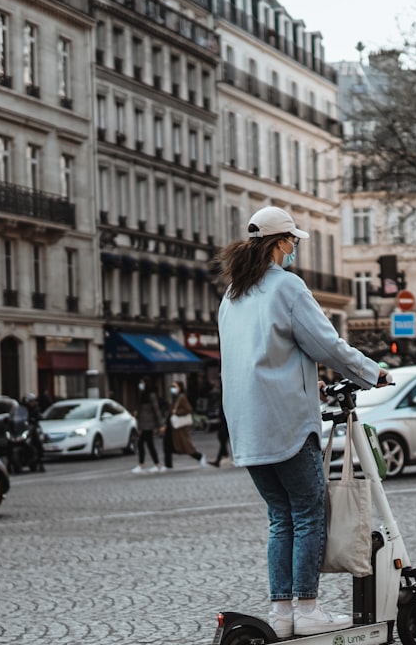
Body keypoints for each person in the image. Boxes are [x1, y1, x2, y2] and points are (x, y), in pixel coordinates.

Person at [218, 205, 390, 639]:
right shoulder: (287, 288)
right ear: (279, 244)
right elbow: (326, 346)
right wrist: (374, 372)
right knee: (309, 511)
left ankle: (282, 611)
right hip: (286, 421)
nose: (295, 249)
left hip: (247, 425)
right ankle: (309, 608)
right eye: (292, 241)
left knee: (281, 516)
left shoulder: (233, 294)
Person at [162, 381, 209, 469]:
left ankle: (199, 456)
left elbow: (188, 409)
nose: (172, 388)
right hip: (172, 427)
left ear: (180, 388)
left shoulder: (182, 398)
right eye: (172, 386)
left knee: (185, 447)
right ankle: (168, 465)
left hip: (178, 428)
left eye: (174, 386)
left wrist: (177, 412)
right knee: (167, 445)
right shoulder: (175, 398)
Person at [131, 377, 165, 474]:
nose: (141, 385)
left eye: (142, 383)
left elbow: (156, 410)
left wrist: (160, 424)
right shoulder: (142, 395)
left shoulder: (151, 395)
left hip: (149, 424)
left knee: (142, 443)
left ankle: (143, 465)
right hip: (143, 423)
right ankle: (157, 464)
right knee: (149, 444)